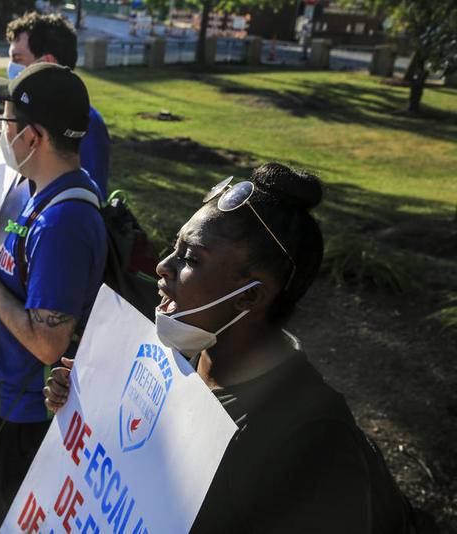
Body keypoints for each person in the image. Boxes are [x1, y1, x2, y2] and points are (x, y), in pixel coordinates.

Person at [44, 163, 415, 533]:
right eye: (175, 248)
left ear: (249, 296)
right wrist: (88, 406)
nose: (162, 267)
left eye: (190, 258)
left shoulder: (311, 441)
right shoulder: (179, 359)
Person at [0, 63, 108, 533]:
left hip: (35, 416)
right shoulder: (39, 191)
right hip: (18, 397)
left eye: (6, 124)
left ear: (33, 137)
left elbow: (48, 344)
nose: (3, 134)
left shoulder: (63, 222)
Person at [6, 12, 110, 198]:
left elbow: (87, 196)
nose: (10, 67)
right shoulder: (26, 113)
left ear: (47, 63)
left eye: (18, 59)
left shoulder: (85, 122)